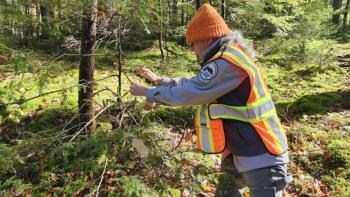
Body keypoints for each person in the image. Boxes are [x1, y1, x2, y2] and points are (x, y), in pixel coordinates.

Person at [130, 3, 292, 197]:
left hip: (262, 154)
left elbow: (191, 92)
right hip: (240, 151)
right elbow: (196, 84)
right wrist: (161, 81)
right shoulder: (226, 58)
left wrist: (149, 92)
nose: (192, 50)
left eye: (192, 44)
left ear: (206, 38)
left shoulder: (226, 62)